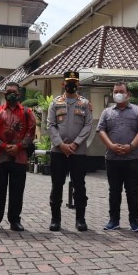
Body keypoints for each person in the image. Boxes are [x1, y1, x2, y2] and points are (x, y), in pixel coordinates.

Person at [97, 82, 138, 232]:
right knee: (114, 191)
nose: (118, 94)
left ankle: (134, 221)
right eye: (115, 91)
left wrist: (131, 146)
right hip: (112, 158)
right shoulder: (106, 112)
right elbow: (101, 131)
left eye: (121, 91)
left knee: (132, 191)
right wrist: (111, 146)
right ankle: (114, 220)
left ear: (128, 94)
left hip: (132, 158)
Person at [0, 82, 36, 231]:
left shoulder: (27, 112)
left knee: (17, 190)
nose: (11, 93)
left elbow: (31, 133)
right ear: (4, 94)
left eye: (14, 91)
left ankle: (15, 220)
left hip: (19, 158)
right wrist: (4, 146)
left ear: (19, 94)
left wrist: (18, 147)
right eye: (9, 91)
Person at [47, 71, 93, 232]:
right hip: (58, 152)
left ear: (78, 84)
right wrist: (61, 145)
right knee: (57, 185)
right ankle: (55, 219)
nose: (71, 85)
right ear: (63, 84)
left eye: (74, 82)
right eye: (68, 82)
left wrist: (75, 144)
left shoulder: (85, 104)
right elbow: (51, 125)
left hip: (78, 152)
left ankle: (80, 219)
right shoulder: (55, 103)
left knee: (79, 186)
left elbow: (88, 125)